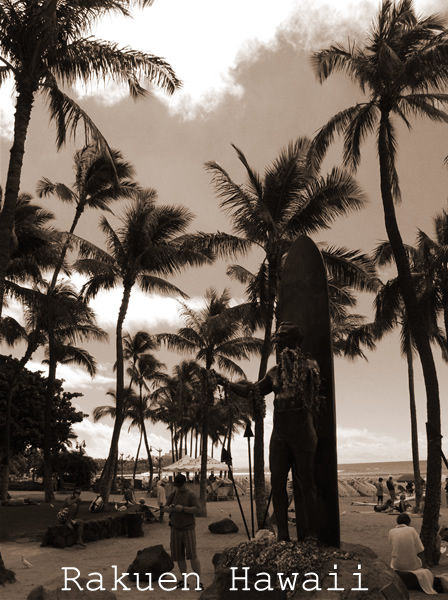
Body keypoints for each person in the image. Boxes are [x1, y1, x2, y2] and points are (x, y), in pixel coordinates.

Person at [219, 321, 321, 541]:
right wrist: (226, 383)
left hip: (303, 432)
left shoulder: (308, 366)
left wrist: (294, 362)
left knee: (307, 483)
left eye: (282, 338)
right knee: (277, 483)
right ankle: (283, 535)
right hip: (280, 434)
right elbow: (252, 391)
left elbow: (312, 388)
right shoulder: (274, 373)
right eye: (277, 338)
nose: (278, 342)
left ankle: (312, 534)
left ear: (294, 340)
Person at [166, 474, 203, 590]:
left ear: (185, 483)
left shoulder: (191, 494)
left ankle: (198, 582)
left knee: (192, 555)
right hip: (175, 528)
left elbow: (198, 509)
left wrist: (183, 508)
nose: (178, 487)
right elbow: (166, 508)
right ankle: (184, 580)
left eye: (180, 485)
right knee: (179, 556)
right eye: (177, 485)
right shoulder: (173, 494)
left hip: (188, 529)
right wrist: (169, 508)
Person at [388, 513, 438, 594]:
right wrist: (424, 566)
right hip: (412, 566)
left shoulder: (391, 531)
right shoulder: (412, 530)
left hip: (396, 565)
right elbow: (420, 550)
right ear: (409, 522)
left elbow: (394, 547)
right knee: (425, 571)